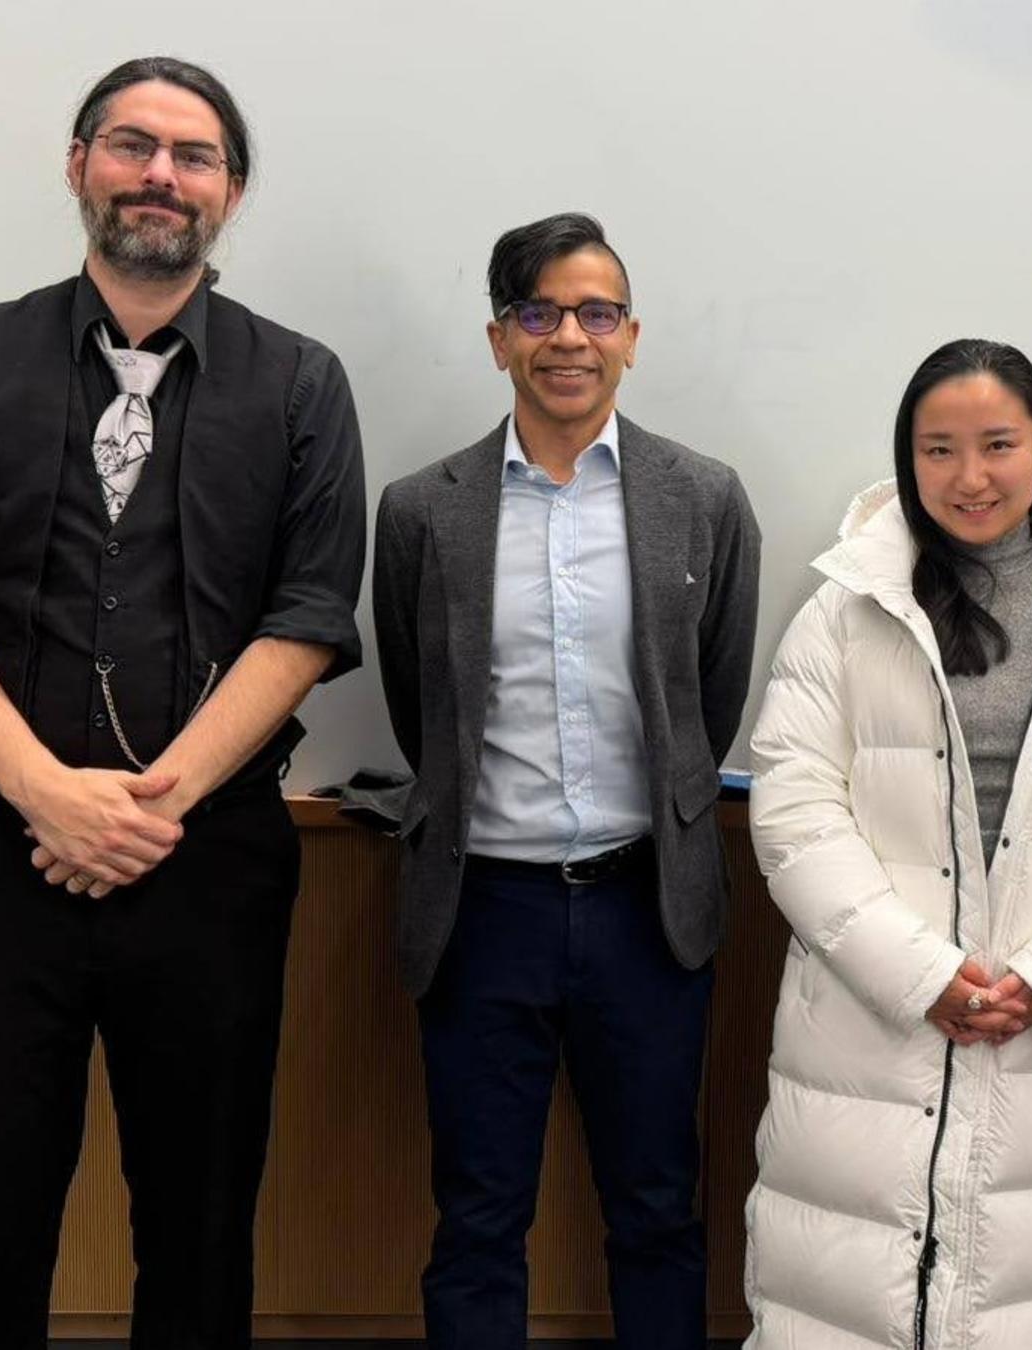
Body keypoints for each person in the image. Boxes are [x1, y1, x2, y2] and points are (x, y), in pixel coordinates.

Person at [0, 56, 366, 1348]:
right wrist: (47, 795)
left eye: (193, 156)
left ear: (231, 193)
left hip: (207, 866)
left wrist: (145, 806)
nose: (159, 176)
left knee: (198, 1227)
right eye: (131, 145)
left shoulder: (302, 386)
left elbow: (306, 623)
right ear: (77, 165)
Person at [742, 339, 1032, 1348]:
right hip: (866, 1016)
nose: (969, 476)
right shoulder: (843, 613)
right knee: (841, 1292)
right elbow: (796, 809)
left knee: (1031, 1296)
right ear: (907, 459)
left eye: (997, 445)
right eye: (938, 450)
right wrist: (922, 974)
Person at [371, 211, 761, 1348]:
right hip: (483, 908)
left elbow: (708, 701)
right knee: (479, 1215)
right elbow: (420, 709)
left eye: (596, 313)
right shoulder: (421, 512)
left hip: (647, 907)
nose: (569, 338)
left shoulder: (704, 497)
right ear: (500, 339)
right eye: (538, 313)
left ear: (631, 336)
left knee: (656, 1209)